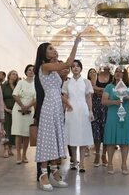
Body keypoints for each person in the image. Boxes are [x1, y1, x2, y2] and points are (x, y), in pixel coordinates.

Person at [34, 34, 81, 191]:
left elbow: (57, 90)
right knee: (48, 140)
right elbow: (68, 63)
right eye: (50, 48)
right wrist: (75, 43)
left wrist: (65, 101)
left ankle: (54, 172)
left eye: (54, 48)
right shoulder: (44, 67)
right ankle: (43, 174)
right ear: (43, 53)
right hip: (48, 107)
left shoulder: (53, 70)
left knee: (56, 140)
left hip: (57, 106)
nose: (54, 50)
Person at [102, 67, 129, 175]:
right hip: (113, 115)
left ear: (124, 75)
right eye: (116, 71)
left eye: (120, 72)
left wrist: (127, 96)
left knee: (124, 141)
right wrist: (114, 102)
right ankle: (110, 164)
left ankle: (124, 164)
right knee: (111, 141)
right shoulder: (109, 87)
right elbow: (104, 101)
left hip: (125, 116)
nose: (118, 73)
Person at [62, 60, 94, 172]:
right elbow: (64, 96)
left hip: (83, 109)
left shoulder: (86, 82)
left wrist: (90, 111)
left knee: (83, 136)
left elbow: (88, 97)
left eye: (77, 66)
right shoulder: (67, 82)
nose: (75, 68)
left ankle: (82, 164)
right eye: (73, 66)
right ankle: (74, 162)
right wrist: (66, 106)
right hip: (71, 110)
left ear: (81, 68)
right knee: (72, 135)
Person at [11, 64, 36, 164]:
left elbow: (36, 98)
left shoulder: (36, 83)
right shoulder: (21, 82)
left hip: (30, 110)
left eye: (33, 70)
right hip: (18, 109)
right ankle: (18, 154)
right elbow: (15, 94)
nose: (31, 71)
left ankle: (24, 154)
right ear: (26, 72)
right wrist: (22, 105)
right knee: (19, 133)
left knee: (27, 133)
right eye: (29, 70)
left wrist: (28, 106)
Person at [91, 66, 113, 167]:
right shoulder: (96, 75)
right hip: (96, 105)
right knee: (96, 130)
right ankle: (97, 154)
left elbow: (113, 91)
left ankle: (104, 155)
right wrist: (105, 90)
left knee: (106, 130)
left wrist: (100, 90)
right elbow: (92, 88)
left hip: (107, 106)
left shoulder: (112, 77)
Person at [1, 70, 18, 158]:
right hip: (6, 110)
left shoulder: (17, 85)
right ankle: (6, 149)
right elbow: (1, 98)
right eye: (13, 74)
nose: (15, 76)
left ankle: (11, 148)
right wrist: (6, 108)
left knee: (13, 130)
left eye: (16, 74)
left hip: (15, 110)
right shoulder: (4, 85)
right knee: (6, 130)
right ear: (9, 75)